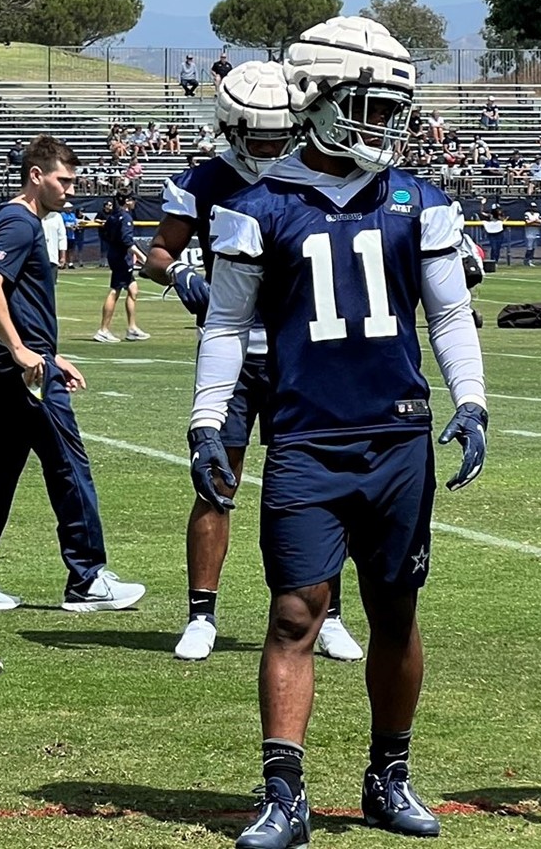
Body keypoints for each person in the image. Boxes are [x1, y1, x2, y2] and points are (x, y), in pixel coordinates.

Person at [190, 16, 487, 848]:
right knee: (295, 613)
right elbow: (223, 326)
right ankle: (283, 792)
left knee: (396, 612)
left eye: (392, 108)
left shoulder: (417, 201)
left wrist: (471, 398)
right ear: (317, 98)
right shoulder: (258, 209)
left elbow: (451, 311)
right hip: (307, 440)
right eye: (367, 104)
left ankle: (389, 775)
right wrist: (206, 418)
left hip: (397, 438)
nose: (383, 125)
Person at [139, 60, 364, 664]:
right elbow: (159, 250)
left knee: (319, 487)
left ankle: (331, 613)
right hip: (233, 354)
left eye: (278, 136)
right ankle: (202, 614)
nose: (269, 148)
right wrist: (180, 271)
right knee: (216, 480)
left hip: (305, 354)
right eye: (258, 137)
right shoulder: (204, 181)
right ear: (233, 129)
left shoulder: (315, 177)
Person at [0, 135, 146, 614]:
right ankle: (88, 578)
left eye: (73, 180)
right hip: (21, 372)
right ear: (36, 176)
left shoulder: (18, 219)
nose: (70, 189)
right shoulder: (20, 224)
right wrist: (23, 350)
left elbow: (18, 301)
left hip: (13, 364)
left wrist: (50, 353)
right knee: (69, 467)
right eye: (63, 179)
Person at [94, 195, 148, 342]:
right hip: (121, 258)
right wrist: (143, 258)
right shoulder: (125, 217)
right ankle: (103, 330)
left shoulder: (113, 216)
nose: (135, 203)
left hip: (115, 255)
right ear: (127, 201)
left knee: (133, 289)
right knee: (115, 290)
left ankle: (132, 328)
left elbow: (105, 234)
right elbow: (127, 241)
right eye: (133, 200)